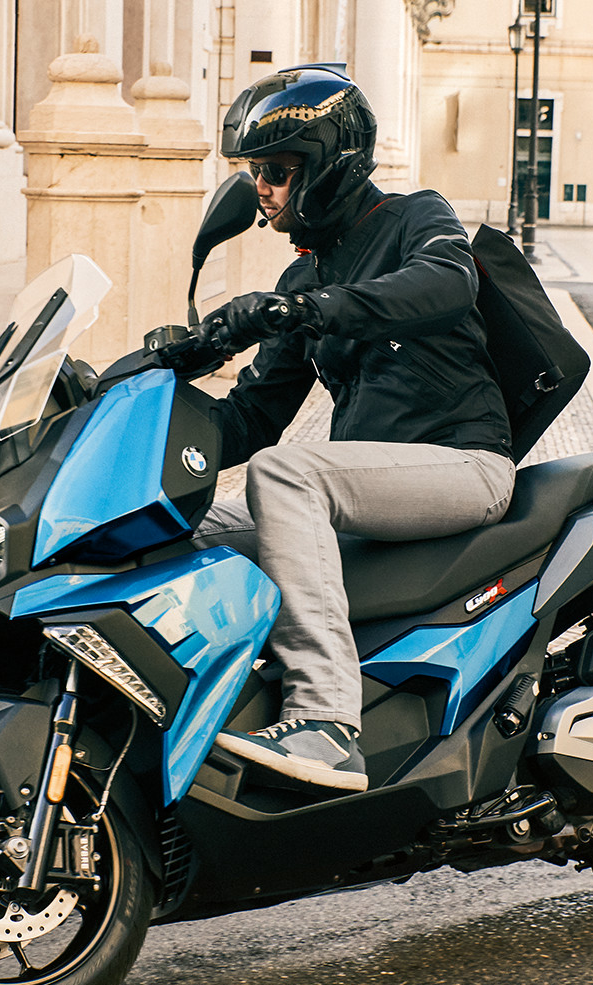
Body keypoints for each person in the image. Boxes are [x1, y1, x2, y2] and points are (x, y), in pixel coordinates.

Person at [192, 65, 515, 792]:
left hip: (465, 463)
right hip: (373, 492)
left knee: (286, 473)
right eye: (254, 173)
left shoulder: (415, 218)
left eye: (276, 171)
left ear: (328, 165)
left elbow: (448, 283)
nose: (261, 188)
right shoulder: (303, 280)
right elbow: (251, 416)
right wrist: (143, 409)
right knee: (182, 522)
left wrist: (309, 311)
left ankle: (327, 721)